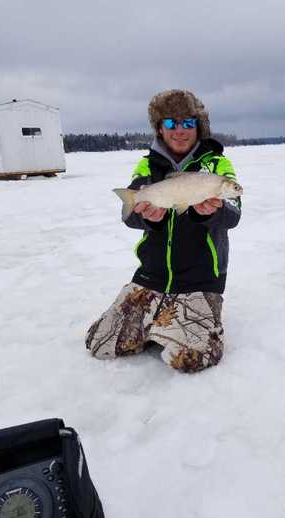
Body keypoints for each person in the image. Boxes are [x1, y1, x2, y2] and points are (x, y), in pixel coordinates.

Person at [85, 89, 241, 372]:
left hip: (200, 281)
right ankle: (161, 322)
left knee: (191, 358)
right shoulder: (147, 165)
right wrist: (148, 217)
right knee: (99, 343)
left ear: (198, 126)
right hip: (152, 277)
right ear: (160, 128)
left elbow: (234, 215)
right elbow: (131, 217)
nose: (179, 130)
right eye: (171, 123)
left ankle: (170, 323)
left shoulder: (217, 165)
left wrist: (212, 213)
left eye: (187, 123)